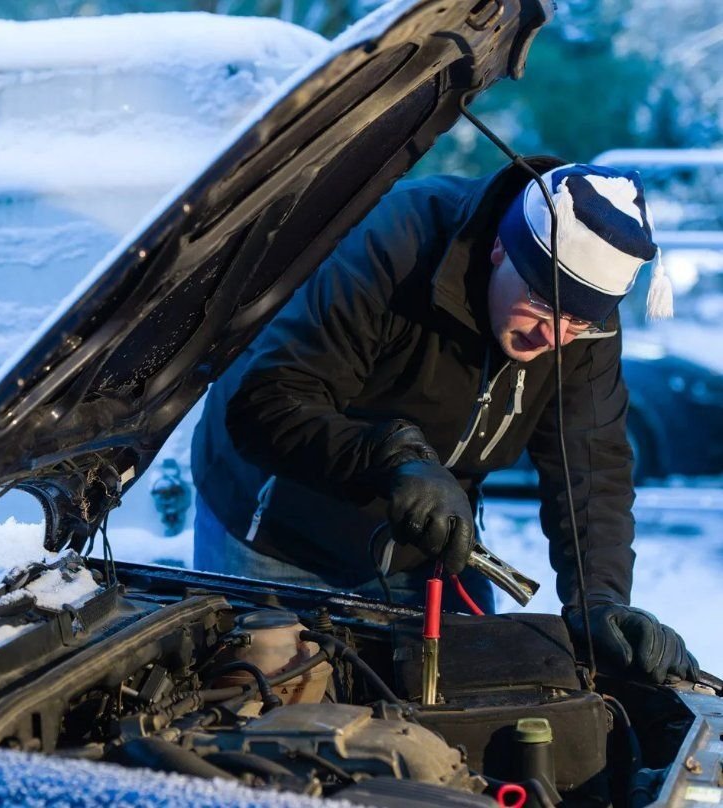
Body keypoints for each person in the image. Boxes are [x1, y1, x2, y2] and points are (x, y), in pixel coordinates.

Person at [190, 158, 698, 685]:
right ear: (502, 248)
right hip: (278, 530)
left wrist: (600, 598)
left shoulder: (582, 325)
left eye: (581, 321)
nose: (554, 335)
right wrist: (393, 460)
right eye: (542, 302)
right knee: (265, 714)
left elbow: (592, 469)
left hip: (428, 545)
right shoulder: (398, 239)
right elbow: (268, 403)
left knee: (470, 708)